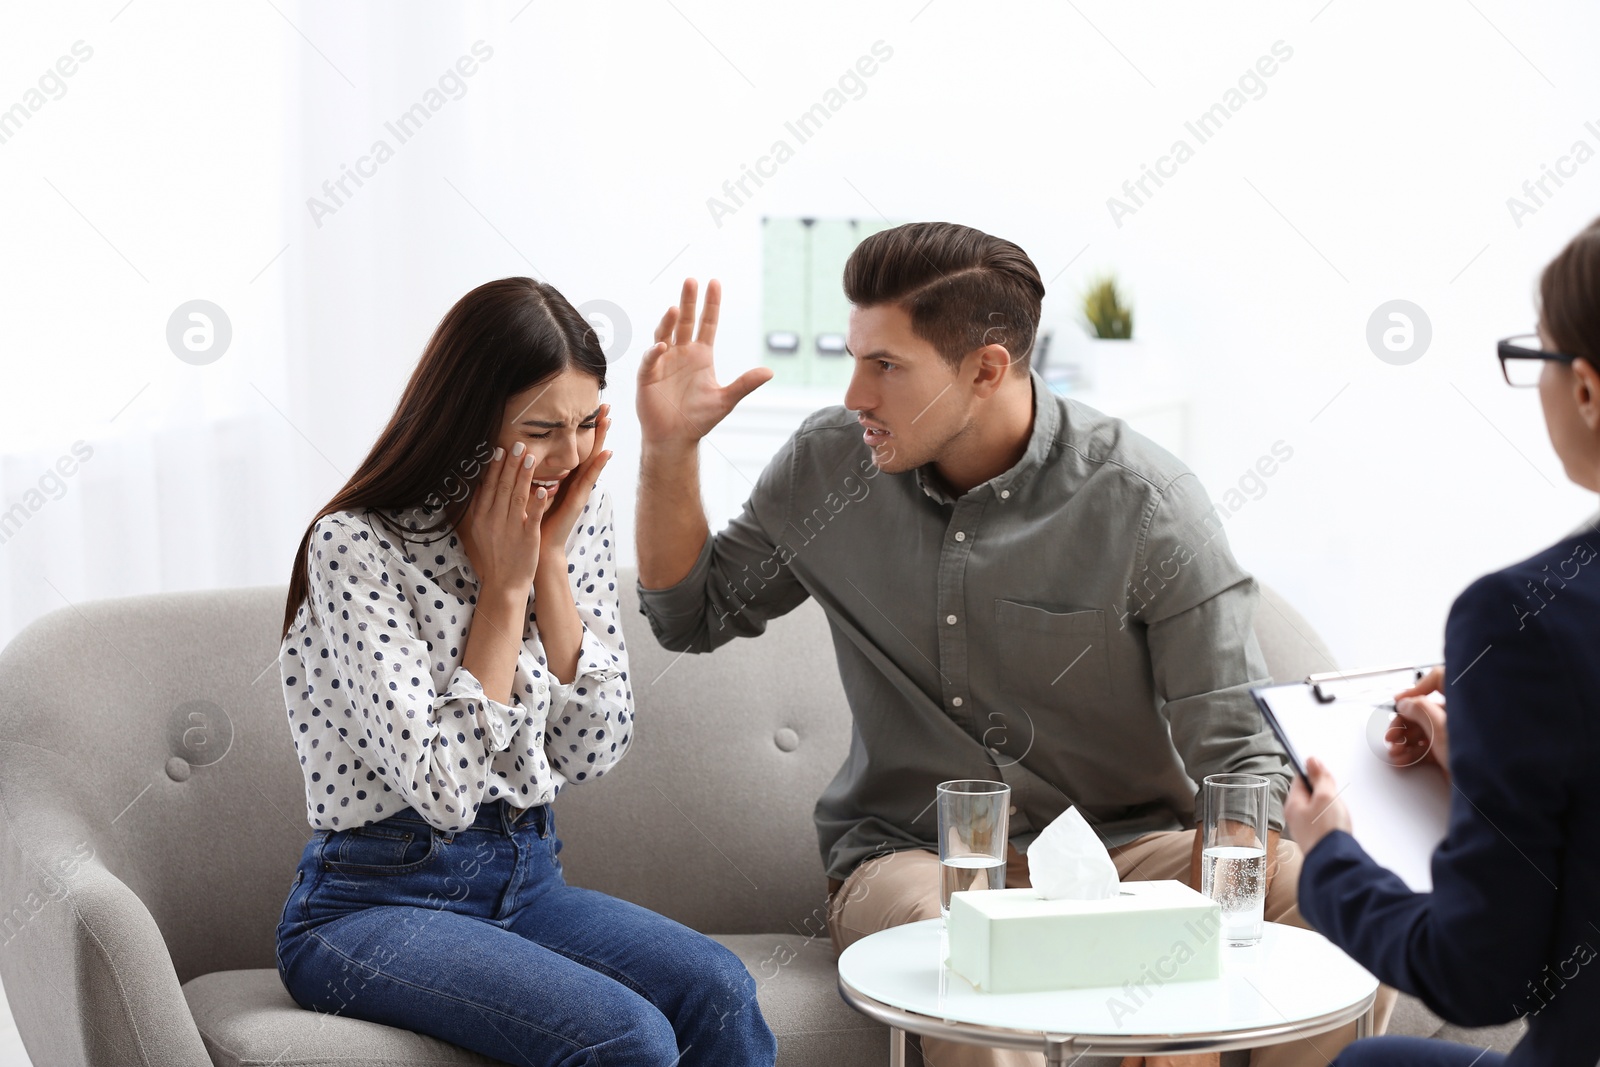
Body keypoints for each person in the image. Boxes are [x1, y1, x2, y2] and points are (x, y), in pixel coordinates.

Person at [633, 221, 1394, 1067]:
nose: (854, 394)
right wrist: (671, 447)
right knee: (964, 954)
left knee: (1343, 904)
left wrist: (1201, 941)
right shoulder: (827, 468)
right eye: (854, 358)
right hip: (916, 858)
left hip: (1128, 850)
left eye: (884, 365)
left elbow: (1239, 756)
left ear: (986, 368)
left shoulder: (1146, 505)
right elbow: (688, 615)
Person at [273, 277, 777, 1066]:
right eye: (540, 429)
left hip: (527, 881)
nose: (570, 456)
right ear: (467, 422)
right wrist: (505, 592)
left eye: (585, 424)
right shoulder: (357, 546)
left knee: (718, 990)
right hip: (370, 903)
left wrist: (547, 563)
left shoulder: (573, 518)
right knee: (627, 1037)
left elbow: (593, 750)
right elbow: (442, 788)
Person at [1286, 216, 1600, 1066]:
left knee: (1364, 1061)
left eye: (1535, 355)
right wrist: (1496, 774)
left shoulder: (1521, 622)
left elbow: (1477, 973)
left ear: (1587, 391)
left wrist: (1330, 856)